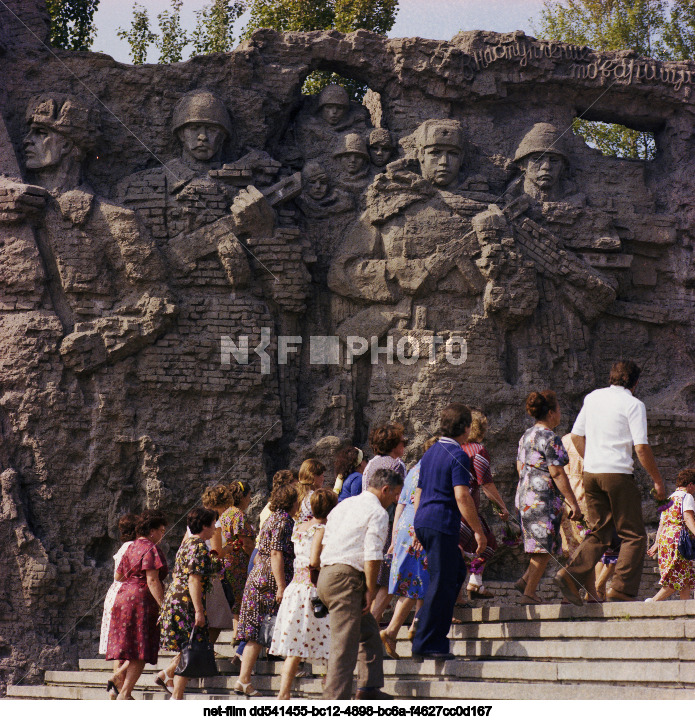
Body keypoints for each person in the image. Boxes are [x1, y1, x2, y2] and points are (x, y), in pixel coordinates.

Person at [555, 361, 666, 605]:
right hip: (617, 474)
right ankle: (621, 590)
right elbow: (641, 447)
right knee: (633, 534)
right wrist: (658, 480)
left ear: (611, 378)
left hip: (591, 474)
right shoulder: (634, 404)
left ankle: (570, 574)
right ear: (635, 383)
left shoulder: (593, 397)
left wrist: (592, 459)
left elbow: (575, 435)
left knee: (600, 531)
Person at [317, 468, 404, 700]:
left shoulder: (343, 505)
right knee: (344, 646)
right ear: (385, 489)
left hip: (327, 574)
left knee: (368, 632)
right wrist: (371, 589)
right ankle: (333, 701)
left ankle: (368, 688)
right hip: (347, 578)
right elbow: (373, 554)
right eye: (395, 494)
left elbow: (324, 541)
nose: (396, 500)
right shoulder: (377, 512)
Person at [411, 403, 486, 659]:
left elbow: (418, 491)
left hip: (424, 520)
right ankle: (427, 641)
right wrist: (478, 531)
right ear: (465, 428)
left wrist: (416, 524)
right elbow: (462, 495)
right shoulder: (459, 455)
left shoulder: (430, 452)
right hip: (442, 522)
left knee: (455, 572)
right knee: (442, 580)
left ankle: (428, 626)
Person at [270, 488, 338, 699]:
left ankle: (284, 692)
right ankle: (331, 692)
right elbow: (314, 561)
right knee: (330, 642)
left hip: (295, 588)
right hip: (314, 587)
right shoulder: (323, 529)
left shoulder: (299, 527)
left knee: (295, 645)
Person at [515, 391, 581, 605]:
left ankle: (525, 580)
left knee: (544, 543)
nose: (560, 414)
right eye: (559, 410)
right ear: (551, 412)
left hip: (526, 495)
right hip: (543, 498)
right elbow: (558, 472)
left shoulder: (526, 436)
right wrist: (572, 501)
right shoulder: (550, 438)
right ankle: (529, 593)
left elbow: (519, 466)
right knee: (543, 546)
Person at [234, 483, 298, 697]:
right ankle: (247, 678)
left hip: (260, 578)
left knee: (256, 632)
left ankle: (244, 679)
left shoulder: (273, 518)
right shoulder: (283, 521)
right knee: (263, 630)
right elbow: (276, 554)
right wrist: (281, 586)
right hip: (269, 581)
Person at [380, 439, 437, 659]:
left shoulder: (413, 469)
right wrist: (420, 531)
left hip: (405, 528)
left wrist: (394, 537)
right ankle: (394, 630)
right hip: (420, 528)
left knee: (419, 580)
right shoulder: (432, 471)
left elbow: (400, 505)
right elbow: (422, 502)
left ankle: (415, 625)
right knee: (418, 582)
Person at [158, 508, 221, 700]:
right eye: (212, 525)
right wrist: (199, 611)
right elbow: (194, 580)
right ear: (204, 525)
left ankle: (173, 687)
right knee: (190, 647)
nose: (215, 529)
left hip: (175, 597)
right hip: (187, 601)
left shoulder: (186, 544)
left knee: (188, 647)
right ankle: (176, 696)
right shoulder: (199, 547)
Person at [106, 509, 168, 700]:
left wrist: (133, 579)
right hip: (141, 600)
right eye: (160, 530)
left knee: (131, 647)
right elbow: (152, 580)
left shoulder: (131, 547)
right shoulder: (150, 548)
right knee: (141, 650)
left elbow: (119, 576)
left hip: (123, 597)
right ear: (152, 531)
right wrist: (164, 605)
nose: (162, 534)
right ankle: (124, 694)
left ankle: (120, 681)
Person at [460, 410, 510, 600]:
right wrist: (500, 507)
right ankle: (472, 584)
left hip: (449, 506)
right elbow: (485, 483)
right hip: (466, 506)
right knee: (488, 542)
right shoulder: (477, 451)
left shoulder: (456, 448)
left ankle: (475, 582)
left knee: (473, 545)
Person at [361, 424, 407, 621]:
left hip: (368, 519)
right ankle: (372, 619)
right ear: (393, 445)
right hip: (388, 522)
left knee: (375, 573)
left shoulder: (370, 464)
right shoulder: (396, 465)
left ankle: (369, 618)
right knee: (390, 574)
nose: (404, 445)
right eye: (402, 442)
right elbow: (401, 497)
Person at [99, 513, 138, 699]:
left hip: (115, 593)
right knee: (130, 642)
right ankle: (120, 682)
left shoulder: (123, 546)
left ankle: (118, 688)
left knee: (119, 645)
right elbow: (122, 575)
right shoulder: (133, 547)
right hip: (126, 593)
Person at [647, 469, 695, 601]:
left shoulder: (669, 499)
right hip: (679, 540)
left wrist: (656, 543)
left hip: (665, 539)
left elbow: (662, 523)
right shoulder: (687, 497)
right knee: (677, 578)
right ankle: (652, 602)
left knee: (684, 578)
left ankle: (685, 611)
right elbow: (688, 518)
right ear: (690, 484)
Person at [199, 485, 236, 646]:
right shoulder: (215, 522)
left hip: (198, 569)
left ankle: (203, 648)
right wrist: (229, 547)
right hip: (211, 573)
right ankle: (205, 648)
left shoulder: (197, 518)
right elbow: (216, 553)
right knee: (219, 614)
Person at [295, 459, 326, 524]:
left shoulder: (295, 493)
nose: (323, 479)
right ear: (313, 476)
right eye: (322, 475)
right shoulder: (315, 497)